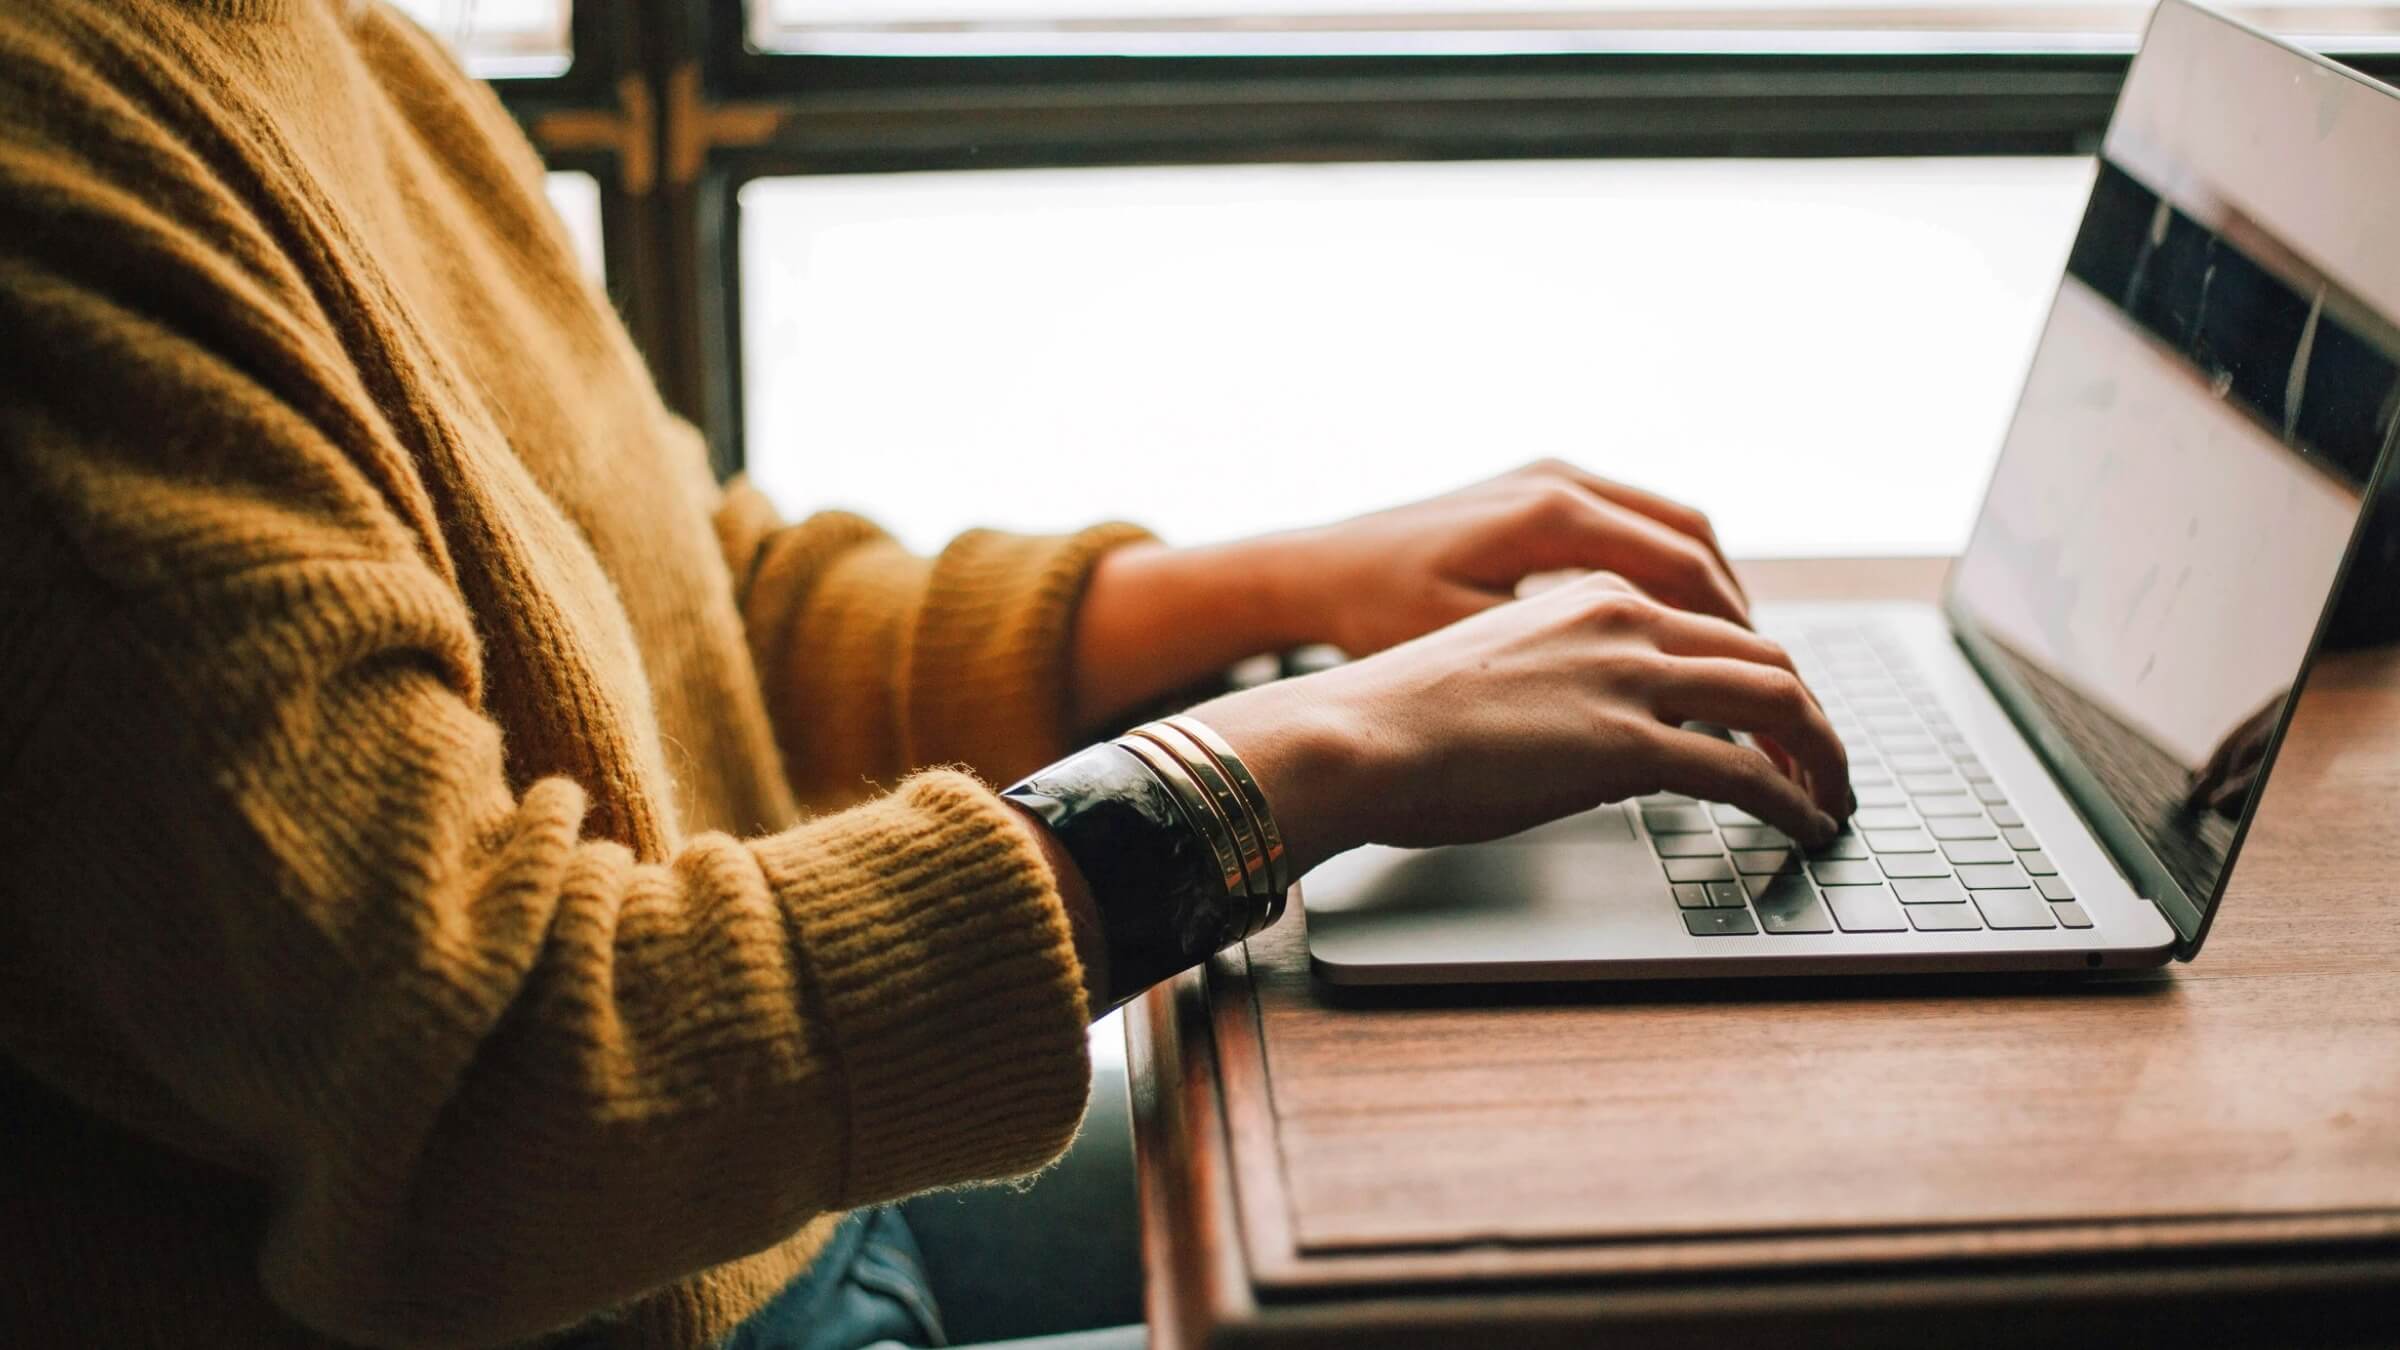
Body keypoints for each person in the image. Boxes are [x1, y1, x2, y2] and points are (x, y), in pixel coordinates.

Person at [0, 3, 1852, 1348]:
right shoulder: (54, 176)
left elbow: (684, 602)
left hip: (765, 1222)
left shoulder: (309, 36)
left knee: (1601, 1193)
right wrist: (1290, 758)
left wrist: (1287, 586)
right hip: (651, 1283)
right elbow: (497, 1094)